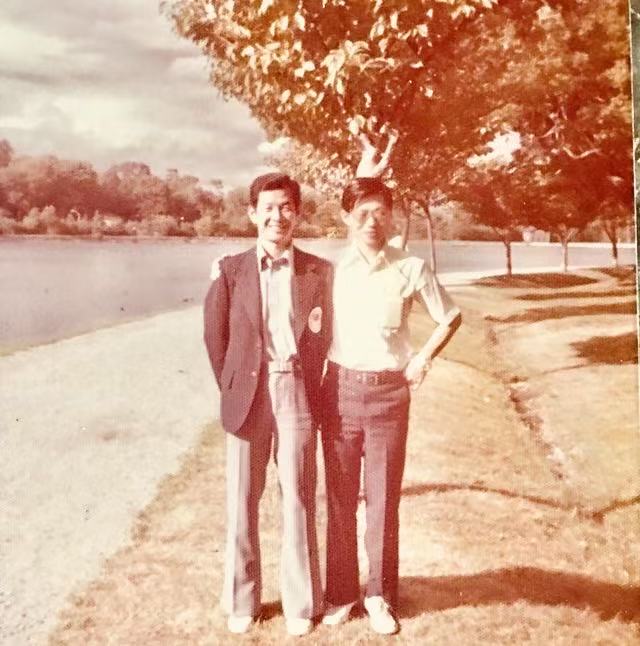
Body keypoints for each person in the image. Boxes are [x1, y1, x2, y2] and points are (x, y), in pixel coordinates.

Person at [320, 177, 461, 635]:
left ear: (392, 216)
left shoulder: (411, 268)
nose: (371, 222)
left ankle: (380, 596)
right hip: (339, 392)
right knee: (340, 500)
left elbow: (450, 316)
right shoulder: (329, 270)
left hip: (388, 396)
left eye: (380, 212)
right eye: (362, 213)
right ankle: (341, 594)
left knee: (382, 501)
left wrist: (422, 359)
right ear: (345, 217)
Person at [203, 172, 332, 637]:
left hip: (295, 388)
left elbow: (325, 336)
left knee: (298, 495)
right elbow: (215, 338)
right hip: (248, 394)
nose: (278, 216)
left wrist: (306, 382)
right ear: (253, 214)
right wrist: (234, 386)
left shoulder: (319, 271)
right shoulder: (230, 270)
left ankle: (301, 603)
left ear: (298, 213)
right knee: (242, 499)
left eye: (287, 207)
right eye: (269, 208)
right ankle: (242, 600)